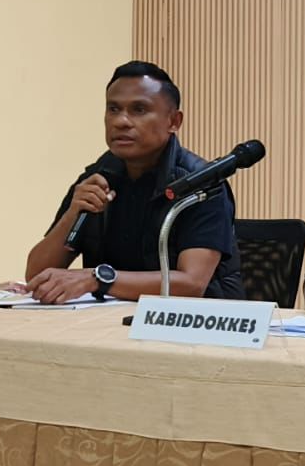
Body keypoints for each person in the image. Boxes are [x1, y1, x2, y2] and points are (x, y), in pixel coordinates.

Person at [24, 61, 244, 303]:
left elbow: (191, 284)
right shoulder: (97, 177)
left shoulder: (201, 184)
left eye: (139, 110)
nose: (121, 121)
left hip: (194, 321)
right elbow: (36, 275)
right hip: (109, 320)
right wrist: (73, 213)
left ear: (174, 121)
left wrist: (99, 279)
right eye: (113, 109)